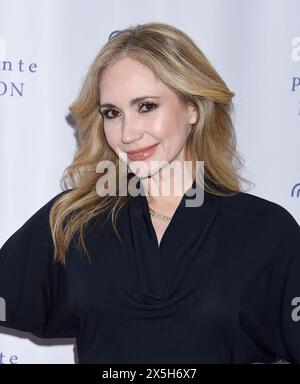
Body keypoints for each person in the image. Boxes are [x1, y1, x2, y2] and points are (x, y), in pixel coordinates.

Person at [0, 21, 300, 364]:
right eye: (112, 113)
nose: (127, 133)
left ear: (193, 108)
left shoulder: (266, 230)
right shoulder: (76, 220)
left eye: (146, 106)